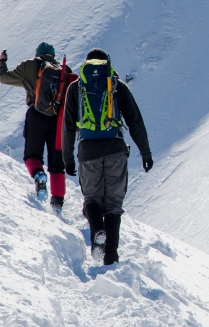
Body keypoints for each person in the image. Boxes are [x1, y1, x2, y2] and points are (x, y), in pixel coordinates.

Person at [62, 49, 152, 265]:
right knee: (112, 203)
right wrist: (145, 152)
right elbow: (135, 122)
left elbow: (67, 126)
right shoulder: (117, 86)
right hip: (115, 150)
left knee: (92, 198)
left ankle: (97, 233)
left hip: (88, 152)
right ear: (107, 63)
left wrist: (68, 159)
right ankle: (111, 256)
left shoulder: (76, 87)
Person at [0, 43, 73, 211]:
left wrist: (2, 62)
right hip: (58, 119)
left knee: (32, 154)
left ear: (38, 54)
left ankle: (38, 174)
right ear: (53, 55)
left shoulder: (29, 66)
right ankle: (58, 202)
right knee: (57, 162)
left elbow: (3, 78)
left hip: (36, 115)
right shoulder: (64, 69)